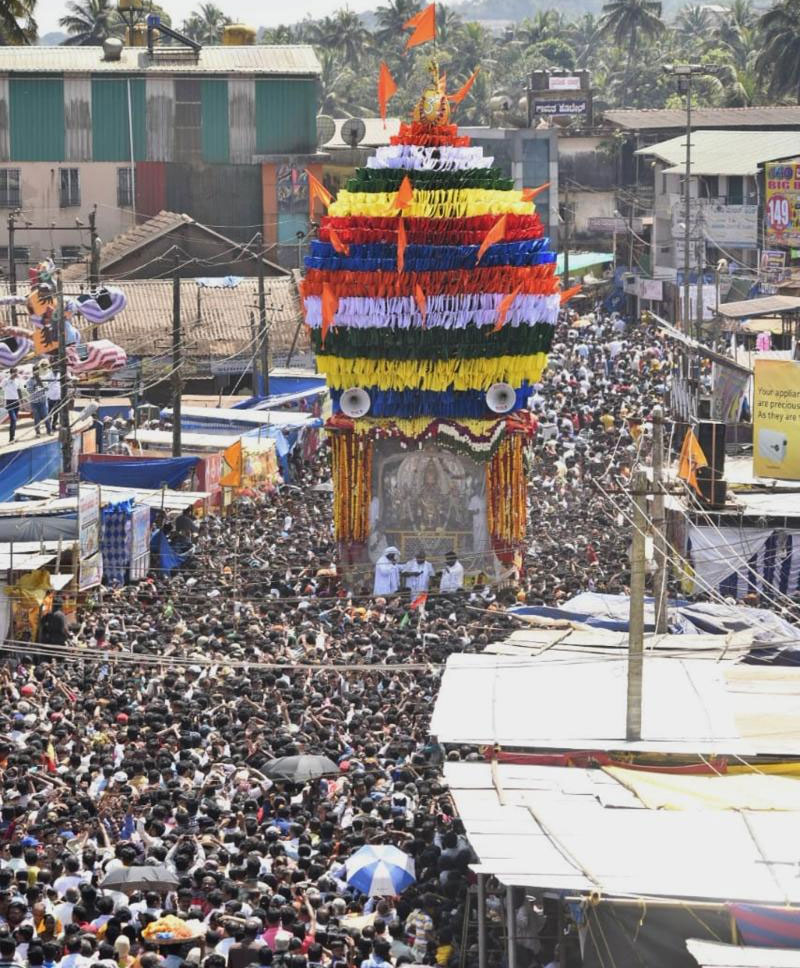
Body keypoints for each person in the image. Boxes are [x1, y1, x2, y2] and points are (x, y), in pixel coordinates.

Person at [26, 365, 48, 437]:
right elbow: (29, 390)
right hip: (34, 402)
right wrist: (35, 385)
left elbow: (46, 388)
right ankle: (37, 432)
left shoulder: (42, 379)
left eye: (37, 371)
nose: (36, 372)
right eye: (35, 371)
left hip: (42, 401)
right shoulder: (30, 380)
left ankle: (49, 430)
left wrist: (40, 382)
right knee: (36, 418)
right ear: (33, 372)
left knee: (46, 416)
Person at [2, 367, 23, 443]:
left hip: (16, 401)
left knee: (14, 421)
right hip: (9, 402)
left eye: (17, 372)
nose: (16, 374)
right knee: (13, 419)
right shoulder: (5, 380)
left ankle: (12, 437)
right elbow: (1, 387)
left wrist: (21, 400)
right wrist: (9, 379)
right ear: (11, 373)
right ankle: (11, 438)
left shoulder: (17, 381)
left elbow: (19, 390)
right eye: (15, 372)